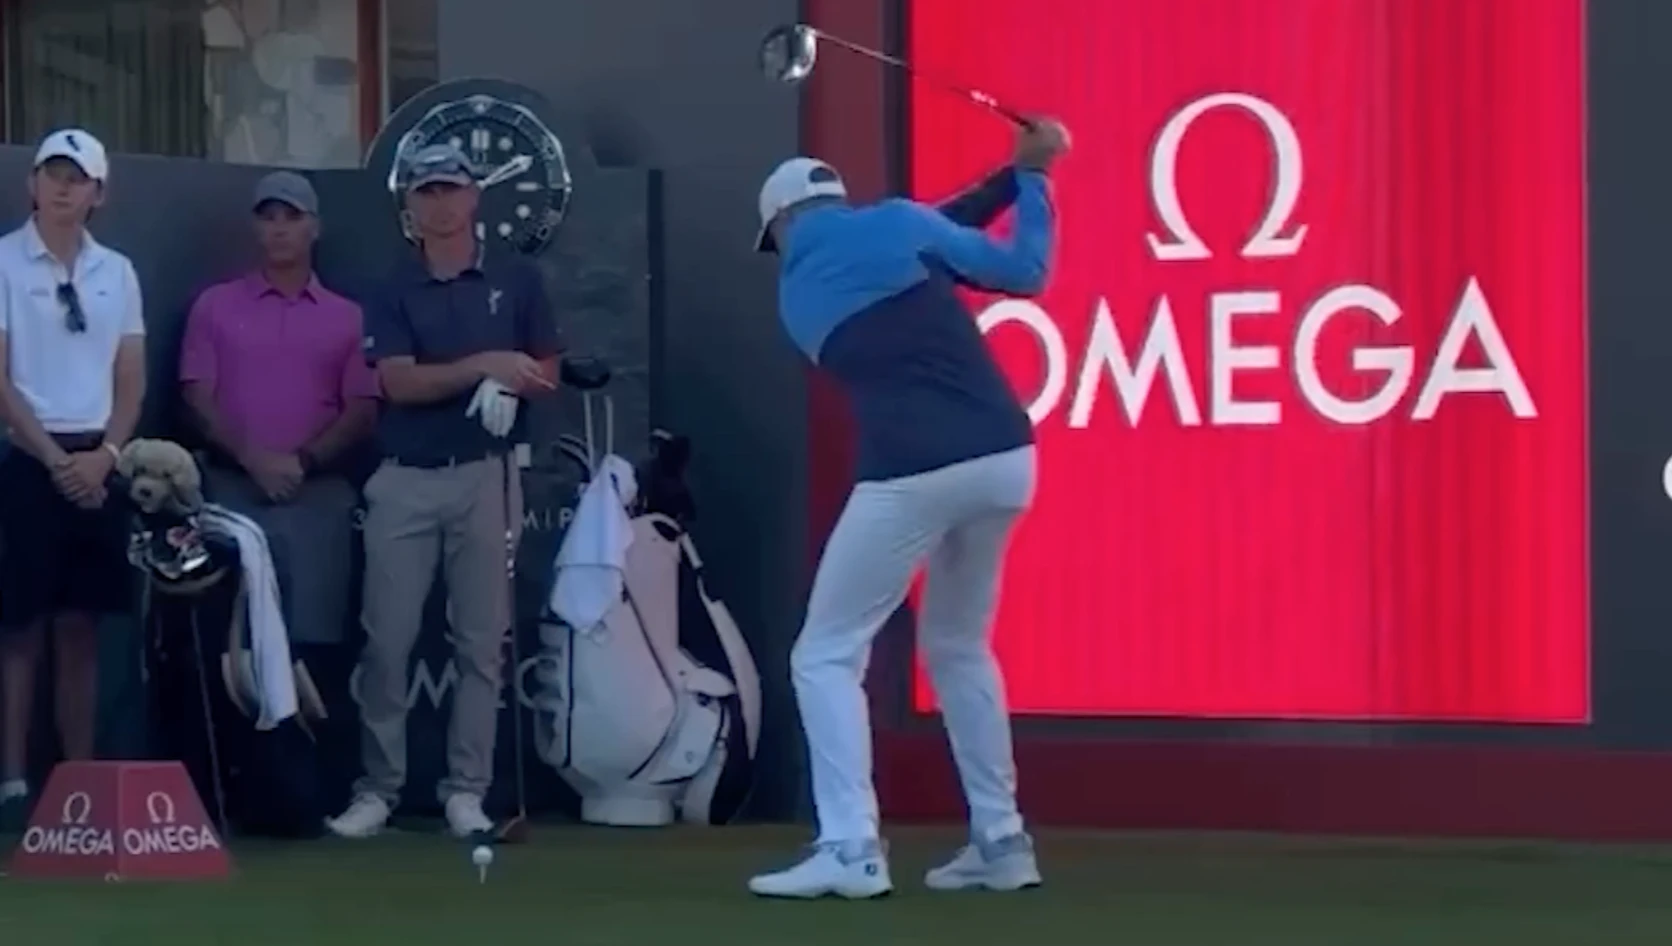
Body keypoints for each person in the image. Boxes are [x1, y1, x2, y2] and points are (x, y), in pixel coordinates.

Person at [746, 118, 1071, 899]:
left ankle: (852, 847)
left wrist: (1012, 174)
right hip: (1004, 457)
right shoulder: (895, 222)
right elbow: (1020, 269)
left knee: (824, 653)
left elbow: (929, 233)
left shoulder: (798, 295)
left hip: (913, 471)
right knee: (959, 647)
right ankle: (1002, 841)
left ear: (786, 224)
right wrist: (1031, 179)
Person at [327, 143, 561, 839]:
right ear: (411, 205)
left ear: (473, 197)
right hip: (404, 478)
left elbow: (545, 369)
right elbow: (397, 382)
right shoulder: (393, 285)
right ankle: (379, 789)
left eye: (449, 189)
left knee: (481, 643)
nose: (439, 203)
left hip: (486, 475)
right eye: (426, 191)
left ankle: (468, 790)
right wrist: (483, 366)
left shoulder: (517, 280)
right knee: (387, 642)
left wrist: (511, 382)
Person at [0, 129, 146, 830]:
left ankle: (78, 792)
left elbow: (131, 375)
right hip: (30, 460)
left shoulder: (117, 272)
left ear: (99, 193)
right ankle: (12, 786)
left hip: (97, 461)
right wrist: (53, 459)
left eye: (76, 177)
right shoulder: (1, 261)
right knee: (21, 627)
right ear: (33, 186)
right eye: (51, 175)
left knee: (82, 627)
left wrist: (106, 456)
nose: (62, 188)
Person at [178, 171, 378, 657]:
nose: (280, 228)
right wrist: (253, 458)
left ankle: (302, 736)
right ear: (255, 228)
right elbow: (196, 396)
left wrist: (300, 463)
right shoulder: (215, 306)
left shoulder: (349, 316)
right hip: (231, 494)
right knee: (232, 643)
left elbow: (362, 409)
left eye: (292, 217)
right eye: (269, 218)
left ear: (315, 227)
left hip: (318, 500)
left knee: (312, 650)